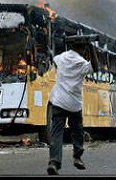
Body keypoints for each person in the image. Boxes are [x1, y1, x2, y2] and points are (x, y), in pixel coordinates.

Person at [46, 37, 99, 175]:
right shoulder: (81, 63)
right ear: (83, 48)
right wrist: (92, 47)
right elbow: (96, 67)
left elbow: (55, 61)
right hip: (74, 104)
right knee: (77, 130)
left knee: (56, 133)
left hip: (58, 101)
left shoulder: (60, 57)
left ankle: (54, 162)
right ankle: (77, 157)